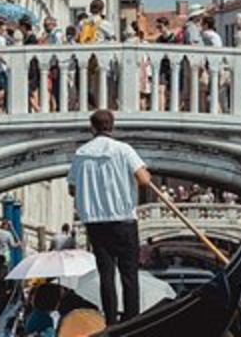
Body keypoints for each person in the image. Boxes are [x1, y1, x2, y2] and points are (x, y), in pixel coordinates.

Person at [67, 110, 152, 325]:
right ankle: (132, 319)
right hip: (123, 220)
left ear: (92, 128)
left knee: (106, 274)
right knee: (129, 273)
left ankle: (111, 321)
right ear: (111, 127)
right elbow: (143, 179)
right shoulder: (123, 150)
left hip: (96, 222)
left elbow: (71, 189)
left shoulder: (81, 153)